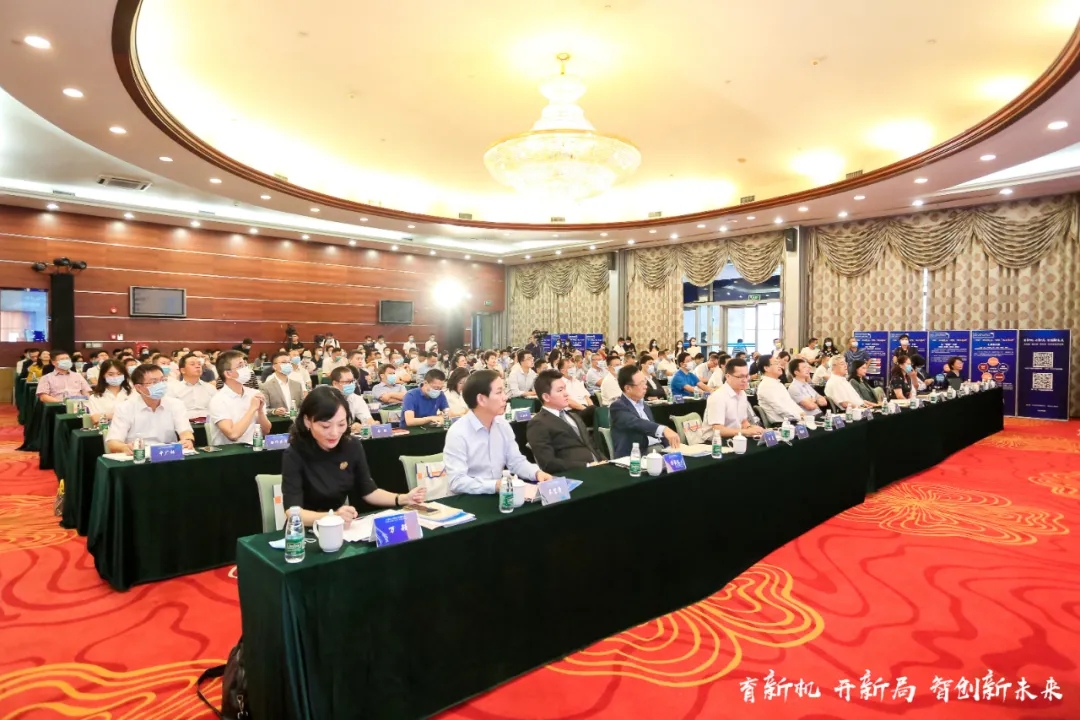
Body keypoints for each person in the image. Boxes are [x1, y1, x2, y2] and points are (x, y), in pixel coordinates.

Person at [281, 387, 426, 527]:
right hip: (303, 531)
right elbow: (293, 512)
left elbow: (369, 491)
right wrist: (333, 516)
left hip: (339, 527)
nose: (334, 433)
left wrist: (403, 498)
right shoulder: (294, 454)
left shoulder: (351, 446)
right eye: (325, 426)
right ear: (307, 421)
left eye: (341, 424)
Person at [443, 370, 552, 494]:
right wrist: (495, 485)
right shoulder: (458, 432)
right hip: (467, 498)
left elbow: (516, 462)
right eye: (499, 392)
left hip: (498, 493)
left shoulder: (502, 425)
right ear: (481, 399)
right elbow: (456, 481)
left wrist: (536, 473)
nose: (505, 397)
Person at [526, 369, 605, 474]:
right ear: (546, 397)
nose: (566, 394)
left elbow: (592, 446)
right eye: (560, 390)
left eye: (565, 389)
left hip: (599, 468)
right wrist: (587, 466)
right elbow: (548, 463)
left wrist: (605, 462)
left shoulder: (574, 416)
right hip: (574, 474)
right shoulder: (538, 423)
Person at [106, 364, 195, 453]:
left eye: (162, 380)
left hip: (168, 453)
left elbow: (185, 431)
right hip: (139, 455)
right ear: (139, 387)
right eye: (154, 382)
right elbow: (113, 442)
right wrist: (124, 447)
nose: (161, 385)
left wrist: (187, 440)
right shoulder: (125, 408)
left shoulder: (176, 404)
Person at [609, 365, 681, 457]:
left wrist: (671, 447)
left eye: (645, 381)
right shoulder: (618, 407)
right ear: (627, 388)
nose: (645, 386)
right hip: (636, 455)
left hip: (657, 450)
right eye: (641, 384)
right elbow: (637, 423)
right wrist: (664, 429)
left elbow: (654, 432)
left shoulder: (645, 406)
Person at [208, 350, 272, 446]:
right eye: (241, 366)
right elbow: (233, 435)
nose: (246, 369)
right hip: (230, 452)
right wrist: (252, 409)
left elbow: (266, 430)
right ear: (228, 373)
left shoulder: (254, 393)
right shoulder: (218, 400)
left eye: (245, 365)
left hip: (254, 447)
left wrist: (260, 411)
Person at [704, 358, 765, 439]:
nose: (745, 380)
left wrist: (751, 428)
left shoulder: (742, 394)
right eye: (740, 377)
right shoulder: (717, 397)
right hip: (714, 441)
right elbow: (718, 430)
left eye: (747, 376)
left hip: (736, 436)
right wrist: (746, 432)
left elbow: (743, 421)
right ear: (728, 376)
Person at [755, 354, 808, 423]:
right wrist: (799, 417)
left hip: (792, 420)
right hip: (782, 424)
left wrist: (802, 413)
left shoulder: (778, 383)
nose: (780, 366)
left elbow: (790, 402)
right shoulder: (765, 386)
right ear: (766, 368)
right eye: (776, 364)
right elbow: (780, 409)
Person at [167, 353, 218, 420]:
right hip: (184, 423)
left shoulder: (210, 388)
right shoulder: (173, 388)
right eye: (192, 364)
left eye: (199, 364)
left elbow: (217, 409)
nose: (198, 366)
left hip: (207, 422)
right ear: (183, 370)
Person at [86, 360, 131, 425]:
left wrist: (106, 416)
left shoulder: (132, 393)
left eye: (119, 374)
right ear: (103, 375)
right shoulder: (95, 397)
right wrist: (121, 415)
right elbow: (95, 419)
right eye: (110, 374)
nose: (115, 377)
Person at [329, 366, 374, 430]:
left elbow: (367, 418)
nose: (351, 384)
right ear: (335, 383)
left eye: (352, 381)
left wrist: (371, 423)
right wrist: (349, 428)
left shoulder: (356, 398)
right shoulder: (326, 399)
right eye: (347, 382)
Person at [261, 351, 304, 416]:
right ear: (274, 366)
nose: (287, 365)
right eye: (284, 362)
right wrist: (274, 411)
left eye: (289, 362)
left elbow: (303, 405)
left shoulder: (297, 385)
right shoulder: (266, 386)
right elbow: (263, 409)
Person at [558, 357, 595, 427]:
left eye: (573, 366)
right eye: (570, 367)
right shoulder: (560, 384)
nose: (573, 369)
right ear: (562, 371)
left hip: (586, 409)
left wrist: (591, 407)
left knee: (598, 410)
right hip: (572, 412)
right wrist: (587, 409)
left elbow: (587, 397)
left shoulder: (577, 381)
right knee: (595, 412)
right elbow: (569, 402)